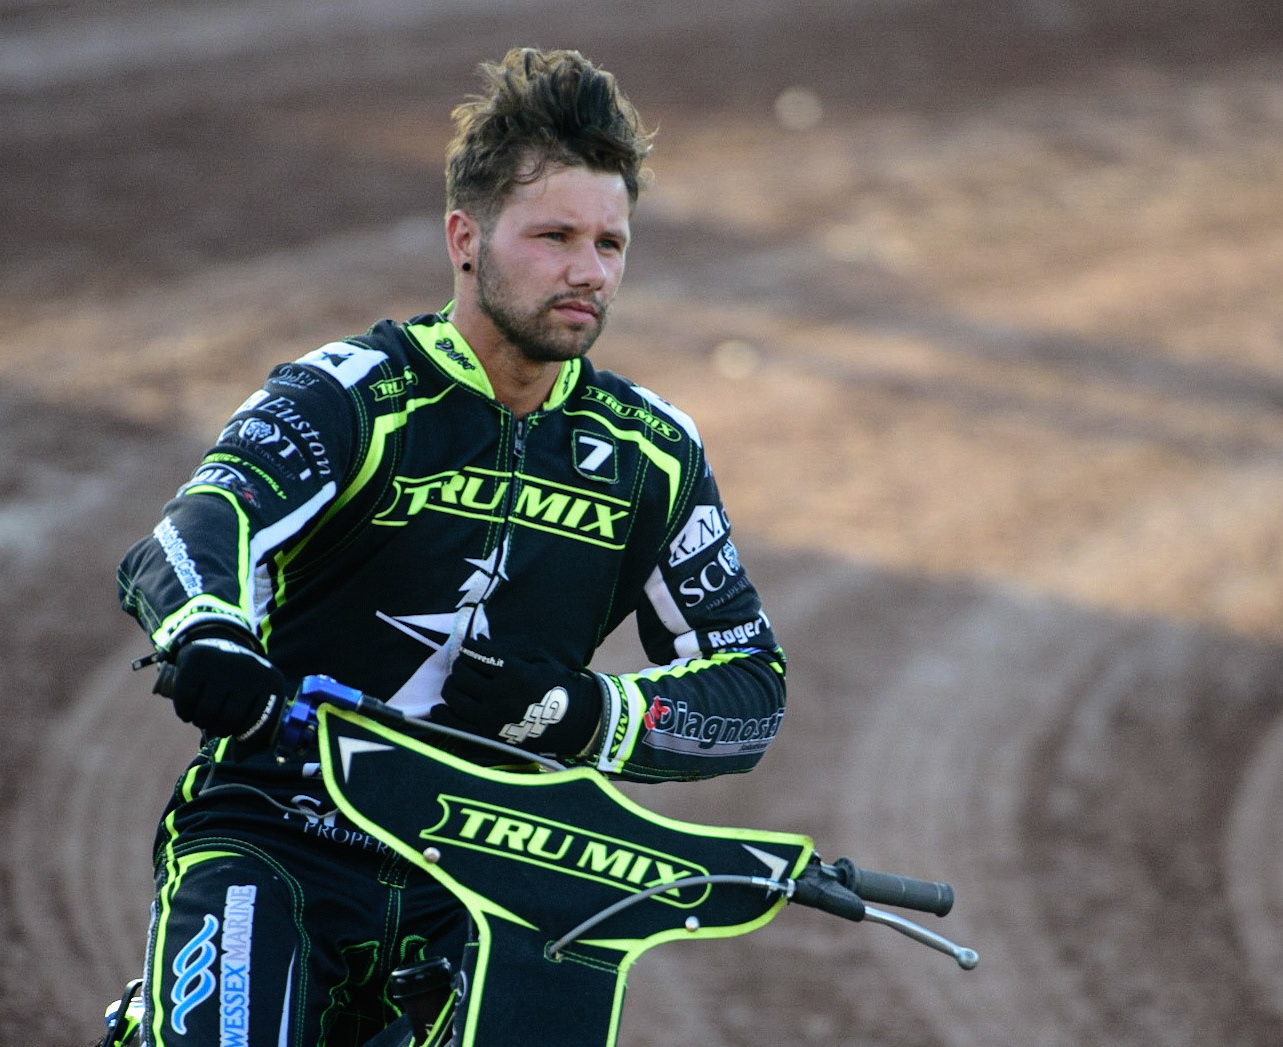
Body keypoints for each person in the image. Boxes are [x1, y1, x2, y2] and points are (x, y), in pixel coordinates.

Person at [115, 46, 787, 1047]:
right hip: (279, 836)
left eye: (610, 243)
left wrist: (581, 712)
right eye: (553, 235)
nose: (585, 271)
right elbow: (198, 526)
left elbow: (749, 694)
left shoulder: (652, 455)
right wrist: (208, 635)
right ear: (463, 237)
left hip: (490, 882)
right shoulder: (351, 392)